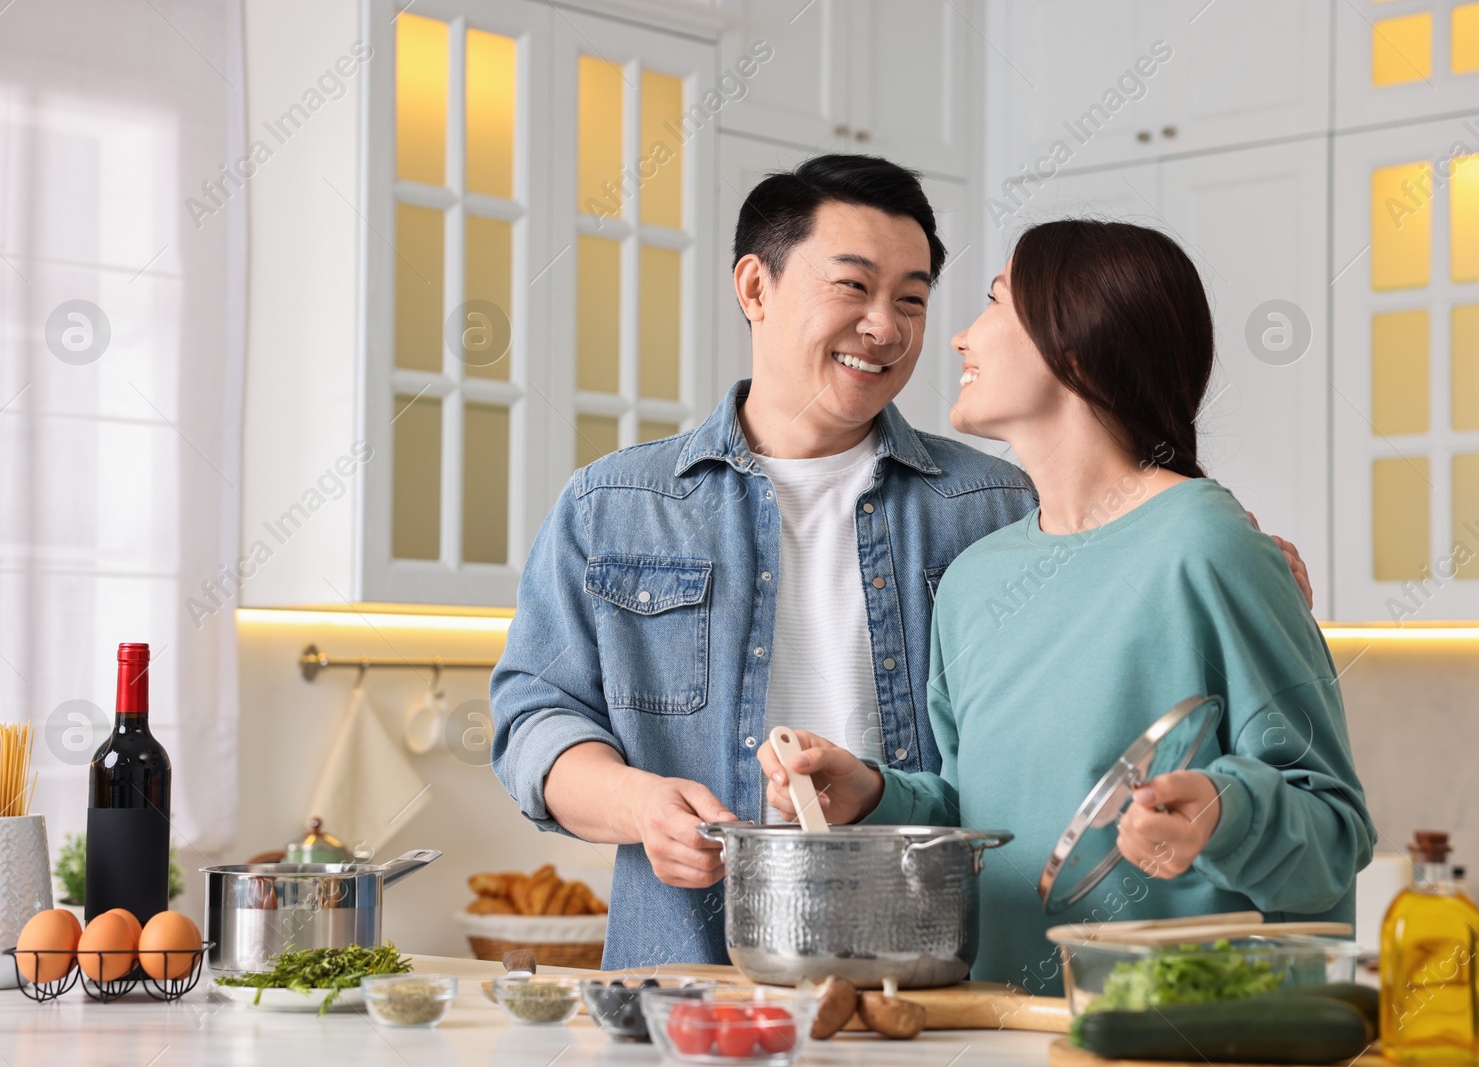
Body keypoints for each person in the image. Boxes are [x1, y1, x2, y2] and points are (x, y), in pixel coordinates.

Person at [489, 155, 1313, 971]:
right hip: (689, 975)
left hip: (932, 980)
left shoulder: (998, 503)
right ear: (755, 288)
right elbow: (534, 719)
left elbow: (1136, 526)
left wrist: (1232, 550)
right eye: (853, 286)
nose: (888, 326)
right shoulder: (617, 504)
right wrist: (637, 803)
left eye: (912, 298)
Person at [757, 219, 1374, 996]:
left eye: (994, 303)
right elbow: (973, 806)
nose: (959, 338)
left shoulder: (1207, 545)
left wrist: (1225, 813)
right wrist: (875, 794)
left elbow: (1335, 830)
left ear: (1075, 342)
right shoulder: (978, 579)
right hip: (1006, 1029)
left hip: (1177, 1036)